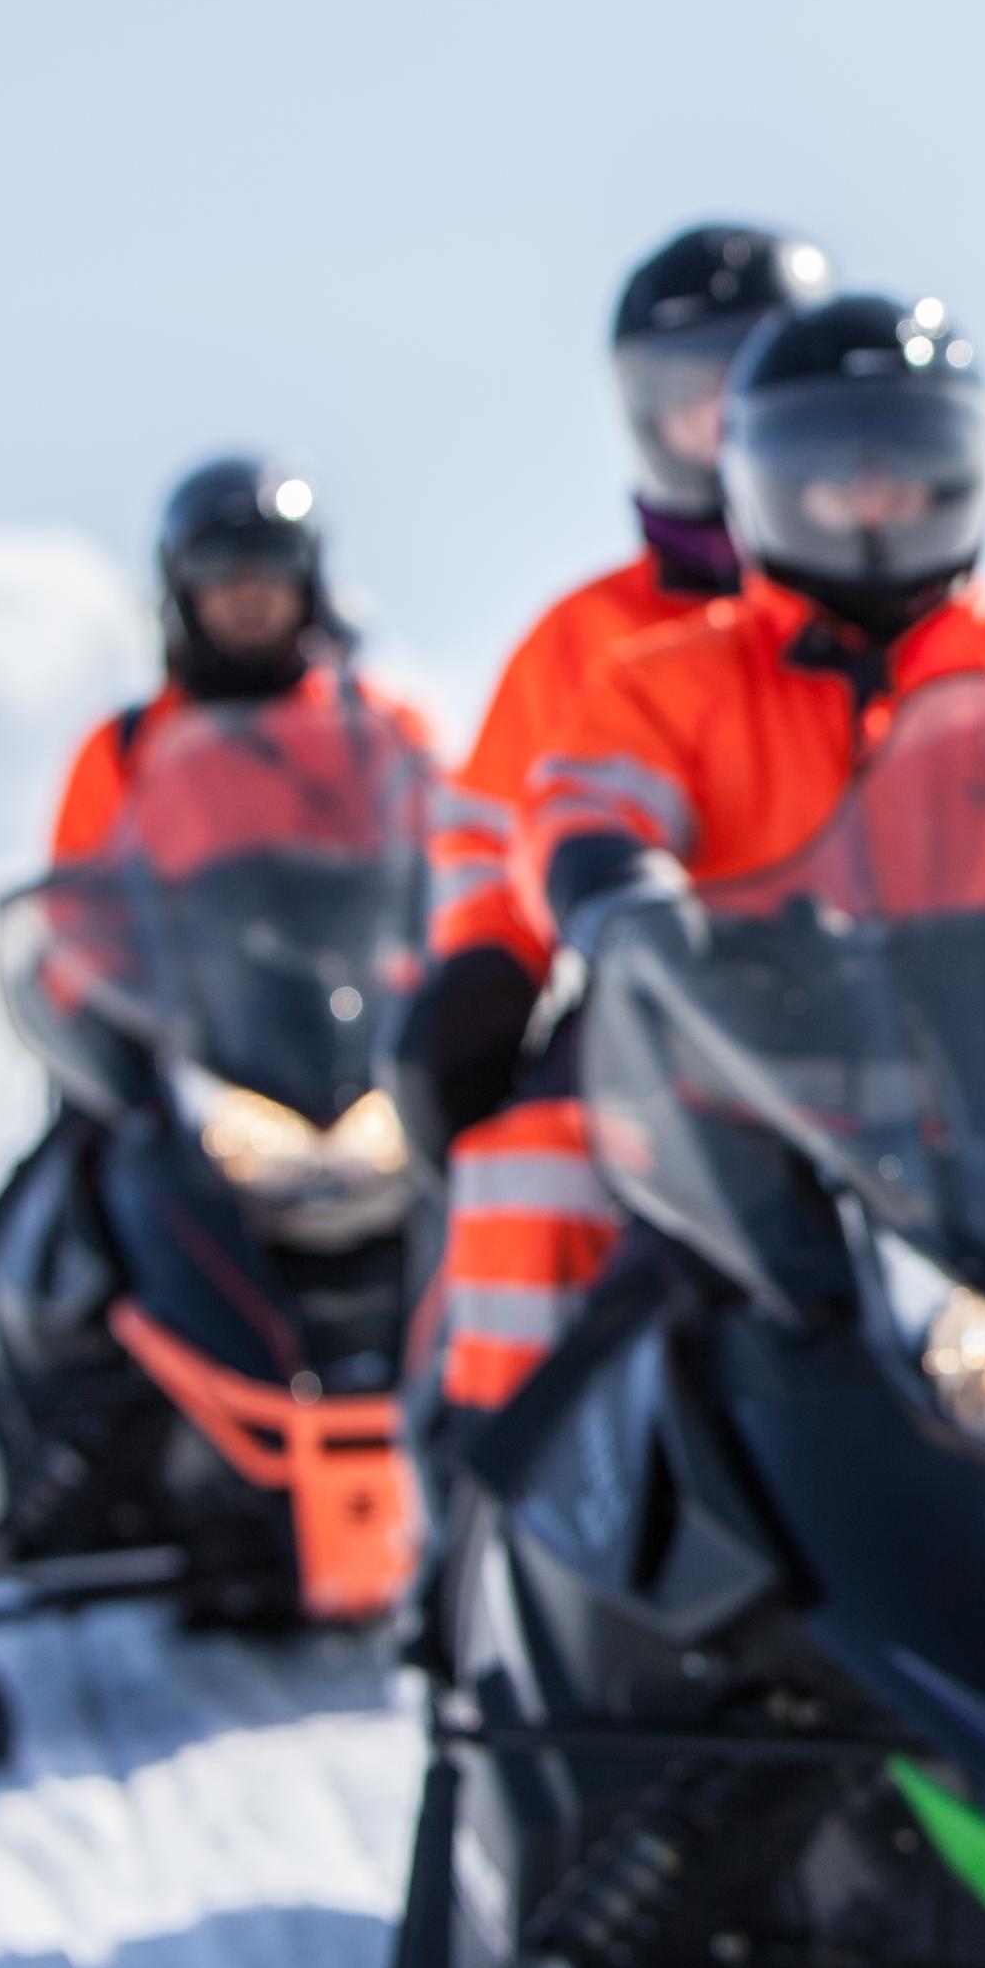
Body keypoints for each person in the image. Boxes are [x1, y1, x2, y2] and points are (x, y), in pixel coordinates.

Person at [515, 285, 985, 1092]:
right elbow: (581, 808)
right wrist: (627, 902)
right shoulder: (672, 679)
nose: (873, 503)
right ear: (763, 476)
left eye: (904, 470)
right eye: (836, 476)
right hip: (758, 1109)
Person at [397, 223, 831, 1415]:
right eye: (693, 397)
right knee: (527, 1173)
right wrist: (487, 964)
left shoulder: (902, 625)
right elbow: (492, 835)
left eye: (752, 385)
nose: (723, 423)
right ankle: (497, 1498)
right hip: (668, 1024)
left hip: (895, 1011)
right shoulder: (584, 637)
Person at [46, 455, 421, 859]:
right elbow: (70, 909)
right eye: (218, 563)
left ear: (308, 579)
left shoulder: (380, 731)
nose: (249, 590)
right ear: (183, 586)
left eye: (276, 557)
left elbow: (451, 864)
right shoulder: (125, 749)